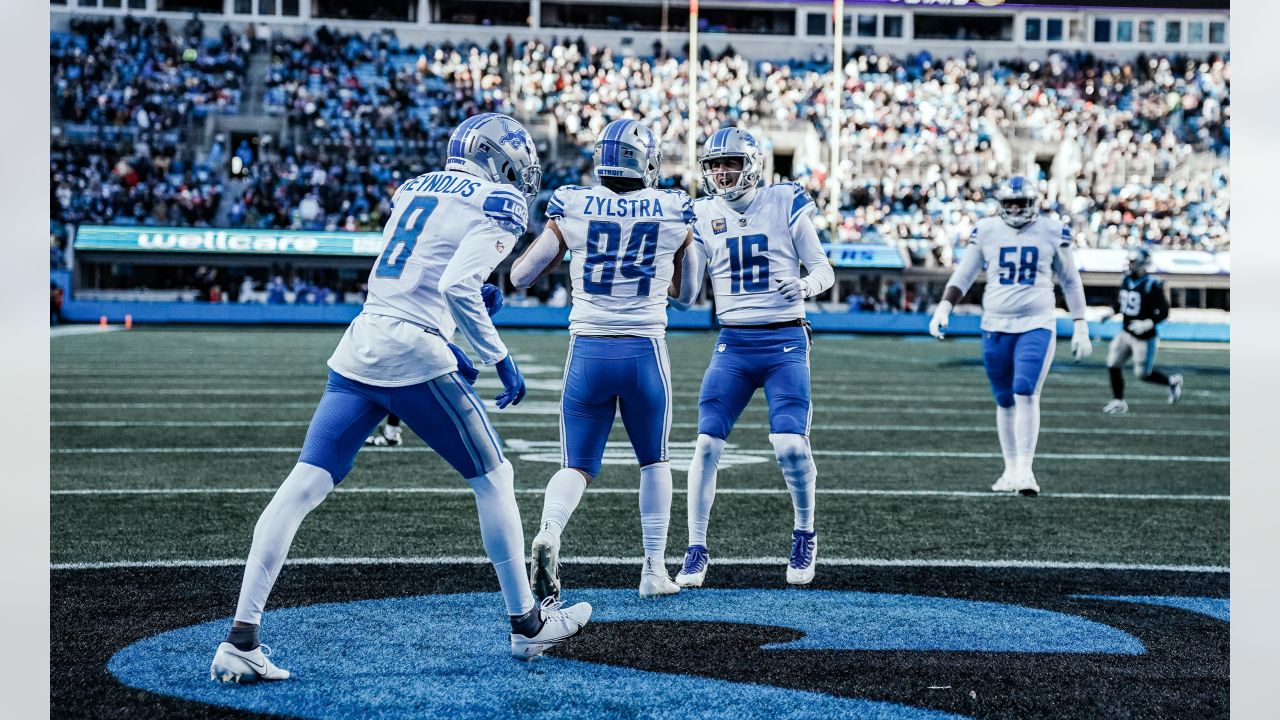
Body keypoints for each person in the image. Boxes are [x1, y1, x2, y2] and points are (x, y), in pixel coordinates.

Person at [209, 114, 591, 684]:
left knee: (301, 486)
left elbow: (417, 282)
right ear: (498, 157)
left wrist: (455, 336)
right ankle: (527, 625)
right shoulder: (501, 202)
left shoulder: (414, 186)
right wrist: (497, 358)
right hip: (411, 351)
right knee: (495, 478)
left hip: (363, 340)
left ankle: (241, 638)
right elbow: (455, 287)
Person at [510, 118, 699, 601]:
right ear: (647, 162)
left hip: (587, 351)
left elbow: (521, 275)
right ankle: (653, 569)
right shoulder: (673, 208)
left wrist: (565, 244)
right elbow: (689, 296)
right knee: (654, 461)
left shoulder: (572, 202)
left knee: (576, 464)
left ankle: (550, 530)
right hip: (644, 352)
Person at [677, 127, 834, 588]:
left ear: (753, 165)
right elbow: (689, 291)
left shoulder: (784, 200)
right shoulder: (702, 213)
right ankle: (695, 547)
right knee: (705, 446)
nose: (722, 173)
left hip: (785, 340)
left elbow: (823, 268)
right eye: (714, 165)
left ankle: (805, 532)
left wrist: (805, 286)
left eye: (730, 163)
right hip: (733, 343)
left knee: (789, 445)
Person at [929, 175, 1093, 496]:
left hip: (1037, 323)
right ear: (1001, 205)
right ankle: (1009, 470)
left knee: (1025, 390)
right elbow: (965, 273)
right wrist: (944, 307)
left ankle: (1026, 471)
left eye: (1022, 202)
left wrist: (1081, 323)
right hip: (994, 325)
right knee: (1004, 400)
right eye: (1010, 203)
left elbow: (1071, 281)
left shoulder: (1051, 230)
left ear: (1035, 203)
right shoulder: (987, 230)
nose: (1016, 209)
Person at [364, 283, 504, 448]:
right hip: (421, 338)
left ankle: (395, 431)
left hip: (418, 339)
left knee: (394, 386)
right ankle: (393, 430)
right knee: (398, 386)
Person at [1103, 247, 1183, 413]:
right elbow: (1122, 302)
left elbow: (1164, 311)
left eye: (1133, 261)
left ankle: (1172, 381)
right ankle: (1119, 401)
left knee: (1143, 374)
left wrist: (1147, 323)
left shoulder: (1152, 284)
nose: (1130, 264)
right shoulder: (1126, 280)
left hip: (1145, 337)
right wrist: (1111, 311)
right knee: (1113, 364)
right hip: (1126, 332)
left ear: (1141, 263)